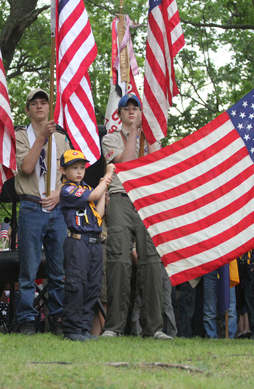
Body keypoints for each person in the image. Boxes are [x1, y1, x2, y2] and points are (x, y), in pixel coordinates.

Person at [101, 93, 170, 340]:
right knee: (118, 259)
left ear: (141, 113)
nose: (131, 111)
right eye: (126, 108)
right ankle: (114, 327)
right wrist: (133, 133)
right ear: (119, 115)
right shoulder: (110, 138)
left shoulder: (150, 137)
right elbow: (127, 162)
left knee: (151, 261)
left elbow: (157, 164)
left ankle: (154, 328)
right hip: (121, 197)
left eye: (135, 108)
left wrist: (148, 135)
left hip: (147, 200)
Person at [13, 88, 71, 335]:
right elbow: (26, 167)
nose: (39, 106)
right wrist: (41, 138)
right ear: (27, 109)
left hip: (56, 209)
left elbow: (71, 175)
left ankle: (57, 318)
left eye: (43, 102)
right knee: (29, 269)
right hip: (31, 206)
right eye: (34, 103)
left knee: (58, 269)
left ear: (49, 107)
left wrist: (60, 193)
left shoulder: (60, 138)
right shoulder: (21, 135)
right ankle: (27, 318)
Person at [58, 149, 114, 341]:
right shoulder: (67, 189)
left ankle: (83, 328)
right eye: (74, 168)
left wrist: (102, 190)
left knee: (93, 285)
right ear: (63, 171)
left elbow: (98, 215)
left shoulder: (86, 187)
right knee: (76, 284)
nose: (80, 171)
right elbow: (91, 197)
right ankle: (71, 329)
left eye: (82, 167)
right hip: (77, 242)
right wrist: (108, 176)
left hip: (94, 242)